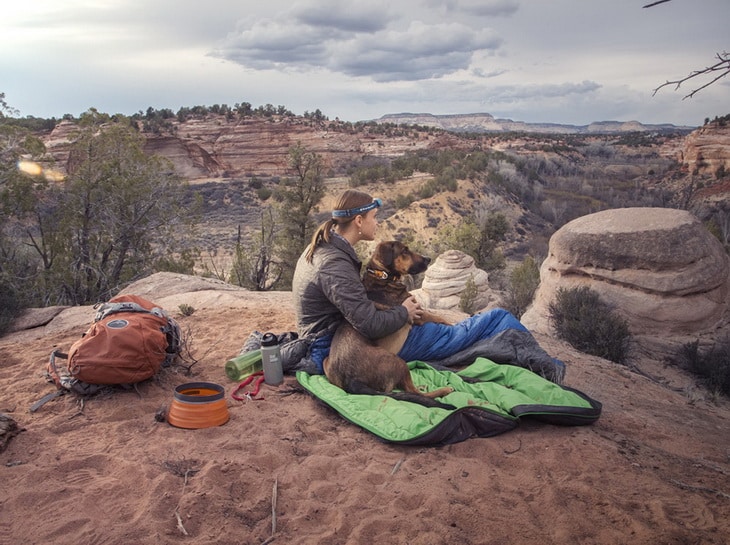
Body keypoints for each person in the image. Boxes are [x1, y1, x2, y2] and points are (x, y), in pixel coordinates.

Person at [290, 189, 565, 383]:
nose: (378, 222)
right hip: (345, 347)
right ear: (359, 221)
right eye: (374, 217)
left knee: (460, 330)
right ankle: (551, 370)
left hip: (346, 343)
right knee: (498, 317)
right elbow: (369, 324)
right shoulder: (334, 263)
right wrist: (405, 313)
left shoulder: (324, 248)